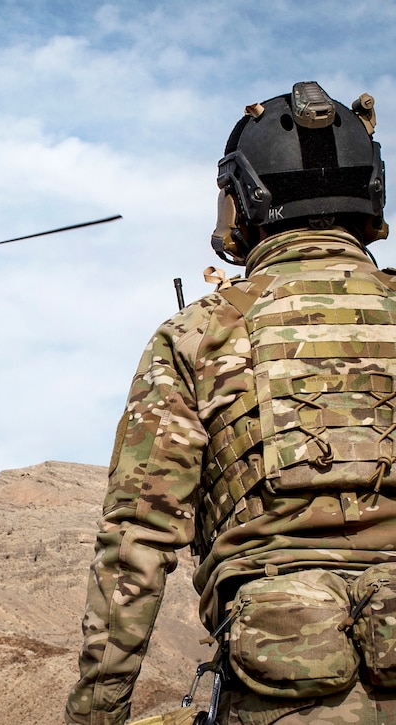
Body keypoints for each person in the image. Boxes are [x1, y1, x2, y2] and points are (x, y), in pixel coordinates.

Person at [66, 81, 396, 725]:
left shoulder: (199, 334)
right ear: (371, 192)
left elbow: (137, 540)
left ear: (244, 197)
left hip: (284, 679)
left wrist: (96, 715)